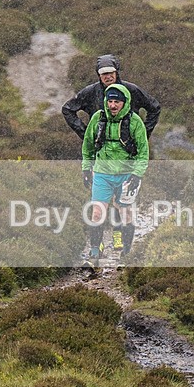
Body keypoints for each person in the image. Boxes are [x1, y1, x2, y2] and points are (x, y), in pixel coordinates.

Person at [64, 54, 160, 251]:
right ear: (98, 76)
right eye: (103, 74)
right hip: (102, 156)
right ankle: (95, 249)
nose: (107, 76)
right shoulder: (91, 94)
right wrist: (85, 134)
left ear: (117, 72)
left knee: (121, 206)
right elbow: (67, 109)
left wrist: (142, 134)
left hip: (126, 159)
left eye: (111, 73)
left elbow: (155, 108)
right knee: (99, 208)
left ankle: (119, 240)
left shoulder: (132, 91)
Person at [81, 84, 149, 267]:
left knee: (125, 213)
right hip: (102, 174)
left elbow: (143, 152)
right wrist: (86, 169)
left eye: (116, 102)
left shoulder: (134, 122)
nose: (112, 105)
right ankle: (95, 251)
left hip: (126, 176)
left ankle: (126, 252)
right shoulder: (98, 118)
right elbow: (88, 145)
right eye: (109, 101)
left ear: (124, 103)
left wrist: (137, 175)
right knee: (97, 213)